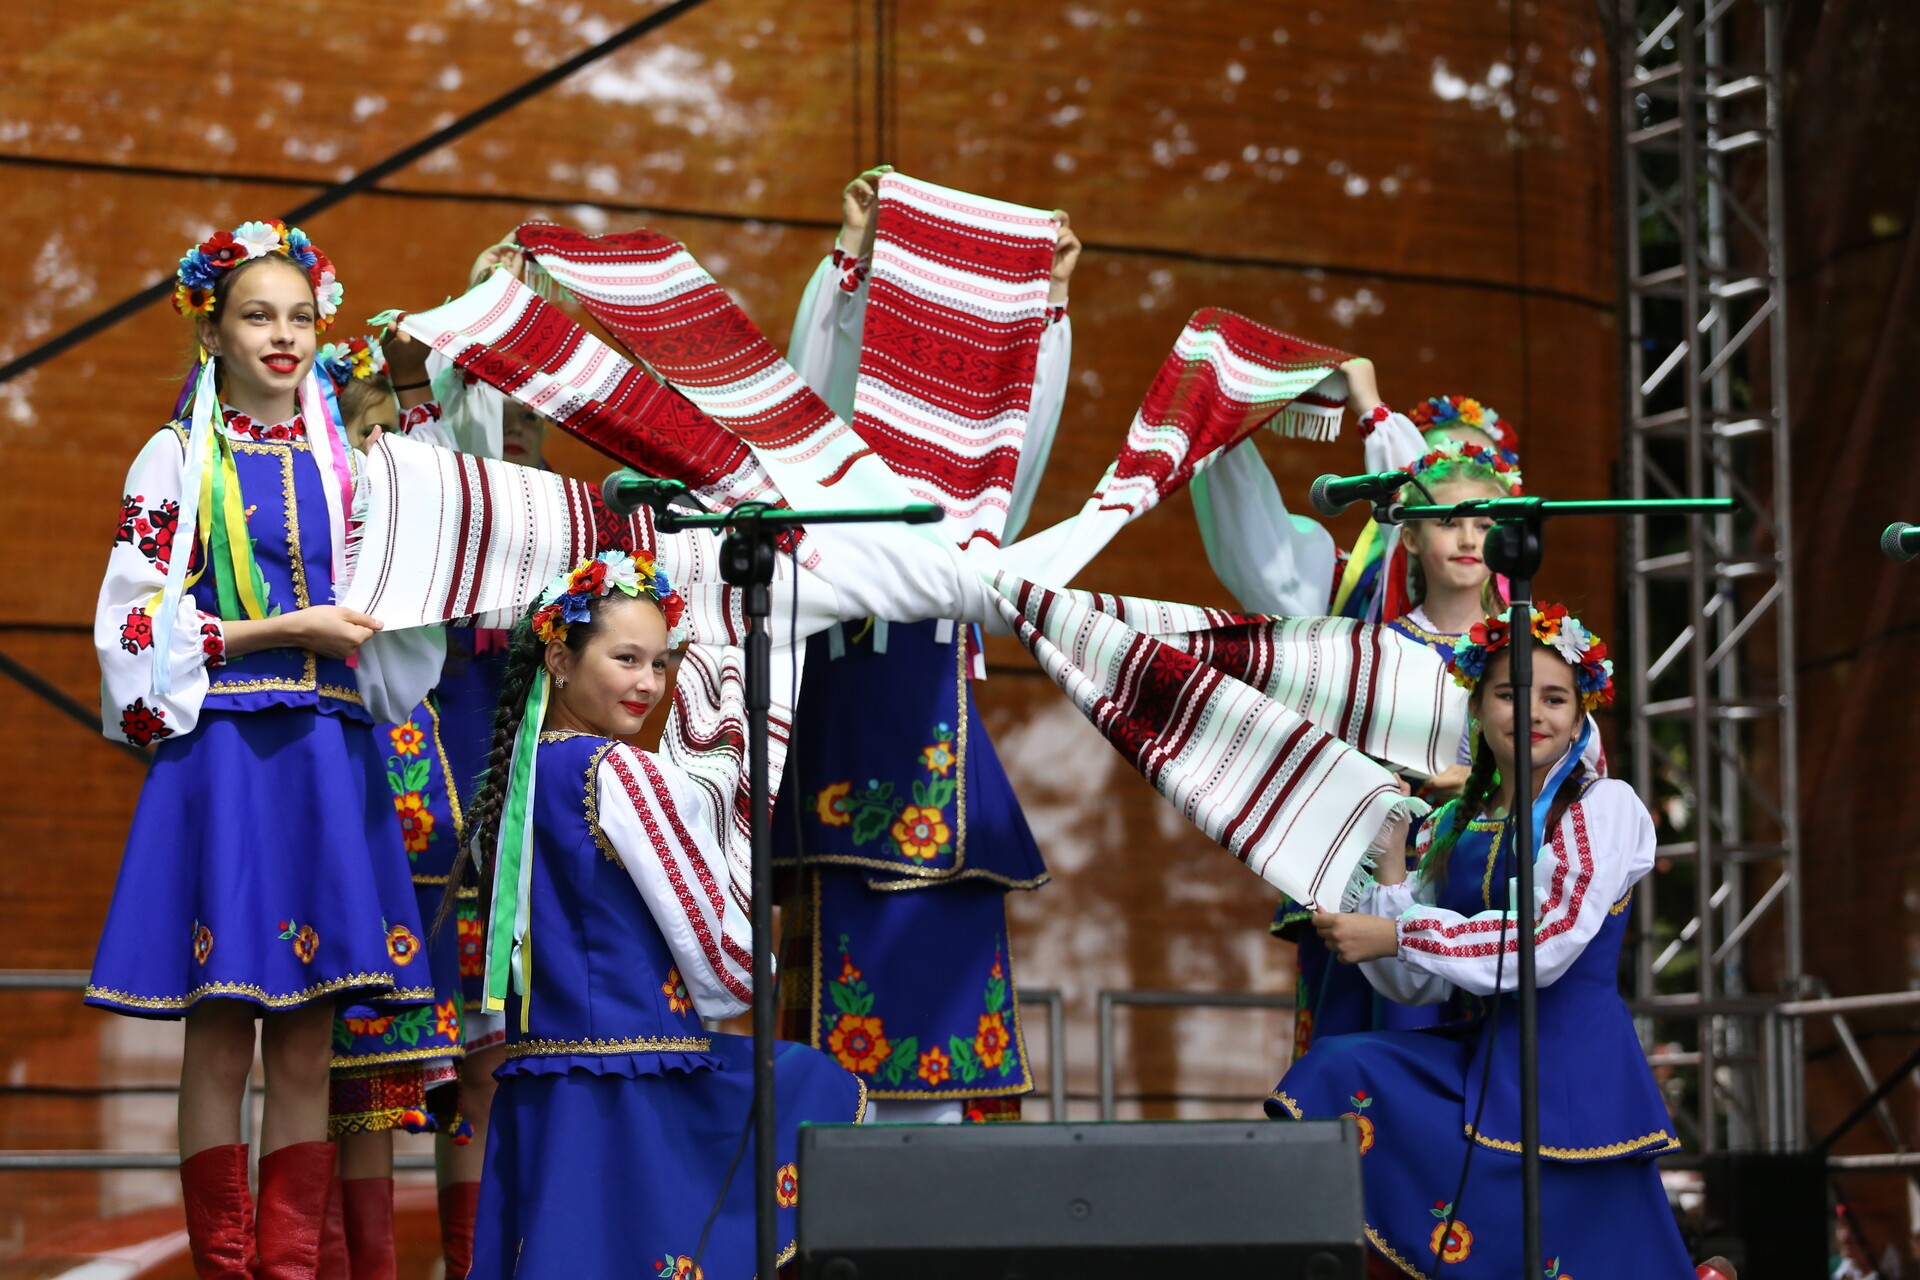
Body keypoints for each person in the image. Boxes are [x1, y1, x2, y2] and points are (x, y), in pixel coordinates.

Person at [85, 220, 442, 1278]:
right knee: (219, 1025)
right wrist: (284, 628)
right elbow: (132, 627)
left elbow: (405, 610)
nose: (284, 337)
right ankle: (224, 1268)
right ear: (212, 332)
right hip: (227, 755)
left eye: (299, 317)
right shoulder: (176, 458)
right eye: (257, 316)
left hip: (329, 755)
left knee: (307, 1036)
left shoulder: (358, 470)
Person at [449, 551, 866, 1275]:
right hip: (634, 1080)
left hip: (544, 1082)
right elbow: (716, 948)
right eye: (627, 659)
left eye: (661, 663)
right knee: (811, 1083)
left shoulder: (511, 785)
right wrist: (754, 968)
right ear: (560, 659)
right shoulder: (620, 772)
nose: (649, 682)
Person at [771, 168, 1077, 1121]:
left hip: (941, 762)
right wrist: (855, 254)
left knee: (947, 989)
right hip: (842, 738)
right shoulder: (830, 501)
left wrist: (1050, 300)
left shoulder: (970, 518)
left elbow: (1024, 435)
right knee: (837, 1035)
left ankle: (944, 1188)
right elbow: (804, 404)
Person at [1269, 604, 1695, 1277]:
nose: (1532, 713)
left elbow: (1543, 942)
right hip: (1483, 1063)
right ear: (1477, 709)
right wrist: (1388, 864)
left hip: (1568, 1081)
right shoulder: (1455, 825)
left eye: (1554, 698)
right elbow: (1417, 983)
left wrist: (1395, 933)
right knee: (1336, 1069)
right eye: (1509, 694)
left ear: (1580, 716)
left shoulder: (1602, 807)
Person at [314, 338, 473, 1279]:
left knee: (404, 1071)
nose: (376, 452)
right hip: (343, 783)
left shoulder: (409, 519)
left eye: (387, 433)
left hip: (411, 810)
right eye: (360, 433)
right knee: (342, 1080)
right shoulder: (312, 514)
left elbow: (444, 470)